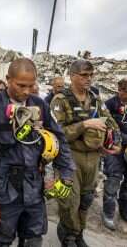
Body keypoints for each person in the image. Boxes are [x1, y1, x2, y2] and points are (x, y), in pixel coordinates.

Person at [0, 58, 75, 247]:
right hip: (3, 193)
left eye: (31, 85)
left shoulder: (40, 105)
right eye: (21, 85)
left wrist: (66, 174)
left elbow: (60, 138)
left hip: (34, 189)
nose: (26, 91)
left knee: (34, 238)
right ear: (8, 79)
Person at [50, 60, 120, 247]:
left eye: (91, 75)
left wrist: (115, 142)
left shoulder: (96, 100)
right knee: (67, 200)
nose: (88, 79)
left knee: (86, 198)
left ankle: (78, 233)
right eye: (84, 75)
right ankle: (68, 236)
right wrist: (85, 125)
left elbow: (111, 122)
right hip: (69, 157)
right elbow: (57, 133)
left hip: (94, 157)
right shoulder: (60, 100)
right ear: (72, 76)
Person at [101, 78, 127, 230]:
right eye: (120, 90)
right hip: (114, 148)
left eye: (124, 91)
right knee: (113, 180)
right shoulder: (111, 104)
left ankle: (124, 212)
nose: (121, 93)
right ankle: (108, 213)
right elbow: (104, 125)